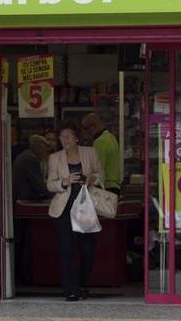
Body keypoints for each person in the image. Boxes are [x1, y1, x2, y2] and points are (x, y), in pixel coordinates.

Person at [47, 120, 104, 301]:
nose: (65, 140)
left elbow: (102, 174)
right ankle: (70, 290)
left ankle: (82, 283)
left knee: (88, 249)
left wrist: (91, 179)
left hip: (85, 207)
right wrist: (65, 181)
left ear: (77, 138)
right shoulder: (55, 158)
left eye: (68, 136)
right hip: (63, 209)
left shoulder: (90, 153)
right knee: (67, 250)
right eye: (62, 137)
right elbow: (50, 184)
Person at [12, 135, 54, 284]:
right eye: (46, 148)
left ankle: (21, 275)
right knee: (25, 242)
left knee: (22, 241)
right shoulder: (31, 159)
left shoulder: (26, 157)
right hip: (24, 205)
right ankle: (24, 275)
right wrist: (56, 192)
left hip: (21, 203)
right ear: (39, 147)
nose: (47, 152)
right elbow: (38, 184)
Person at [81, 113, 121, 194]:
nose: (88, 134)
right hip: (115, 186)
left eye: (87, 129)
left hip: (105, 187)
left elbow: (97, 168)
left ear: (93, 126)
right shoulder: (111, 137)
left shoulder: (99, 142)